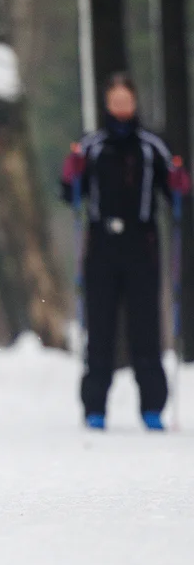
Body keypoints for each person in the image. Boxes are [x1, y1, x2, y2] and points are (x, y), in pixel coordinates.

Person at [61, 73, 191, 431]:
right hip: (102, 242)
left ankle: (153, 407)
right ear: (107, 103)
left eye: (125, 100)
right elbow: (70, 190)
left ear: (134, 102)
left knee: (145, 326)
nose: (120, 106)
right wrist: (71, 174)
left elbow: (176, 191)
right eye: (114, 100)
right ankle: (94, 408)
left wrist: (180, 180)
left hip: (142, 244)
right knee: (99, 326)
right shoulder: (92, 145)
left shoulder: (152, 146)